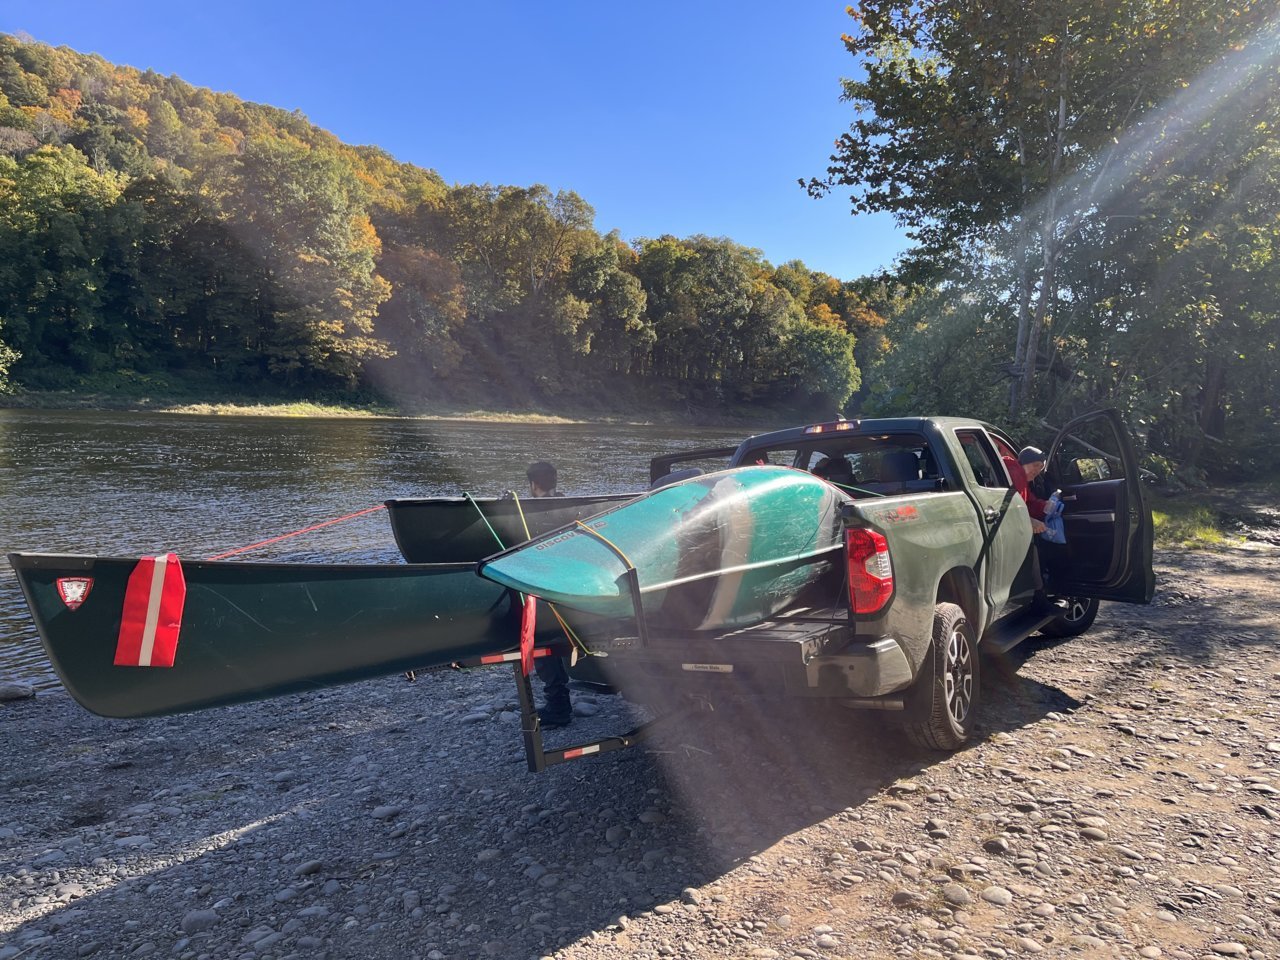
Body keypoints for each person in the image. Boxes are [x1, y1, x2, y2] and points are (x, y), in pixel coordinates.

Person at [525, 461, 572, 727]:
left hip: (547, 589)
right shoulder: (570, 504)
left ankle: (559, 706)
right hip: (572, 586)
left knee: (543, 645)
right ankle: (559, 702)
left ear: (532, 484)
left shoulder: (527, 511)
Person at [1001, 446, 1055, 613]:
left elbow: (1029, 502)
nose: (1037, 471)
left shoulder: (1021, 478)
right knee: (1032, 549)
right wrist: (1029, 520)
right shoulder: (1013, 473)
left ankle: (1037, 597)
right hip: (1003, 529)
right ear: (1024, 462)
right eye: (1035, 465)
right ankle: (1039, 600)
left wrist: (1046, 505)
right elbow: (1007, 505)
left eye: (1041, 467)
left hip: (1010, 525)